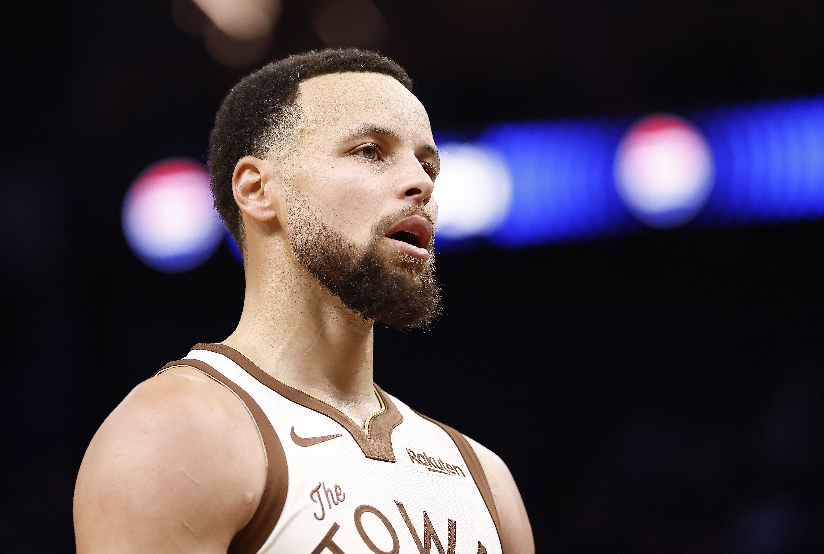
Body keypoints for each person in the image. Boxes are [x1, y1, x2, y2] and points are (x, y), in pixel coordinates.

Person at [74, 48, 534, 554]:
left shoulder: (485, 480)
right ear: (257, 190)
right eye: (370, 151)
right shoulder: (175, 433)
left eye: (427, 164)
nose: (422, 183)